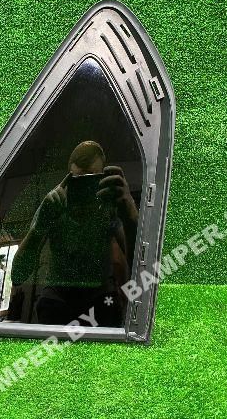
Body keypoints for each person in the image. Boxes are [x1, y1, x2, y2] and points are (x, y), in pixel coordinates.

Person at [9, 140, 138, 327]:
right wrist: (40, 225)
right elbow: (17, 276)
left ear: (102, 179)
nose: (84, 190)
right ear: (68, 177)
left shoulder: (109, 206)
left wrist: (130, 213)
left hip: (96, 298)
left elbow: (140, 265)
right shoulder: (54, 205)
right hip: (61, 298)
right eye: (78, 181)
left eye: (91, 181)